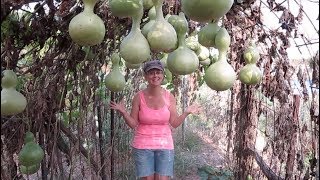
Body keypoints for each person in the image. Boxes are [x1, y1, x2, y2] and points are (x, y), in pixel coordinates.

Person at [109, 60, 201, 180]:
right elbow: (133, 124)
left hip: (165, 145)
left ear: (163, 75)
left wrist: (186, 112)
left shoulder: (169, 97)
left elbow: (174, 123)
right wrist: (124, 112)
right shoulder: (138, 97)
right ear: (146, 76)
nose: (155, 76)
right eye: (151, 73)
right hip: (142, 145)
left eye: (158, 72)